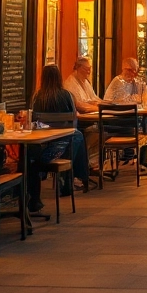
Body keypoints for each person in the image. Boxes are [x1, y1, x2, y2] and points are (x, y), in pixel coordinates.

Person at [29, 64, 90, 205]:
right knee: (78, 136)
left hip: (43, 144)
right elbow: (74, 119)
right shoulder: (66, 95)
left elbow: (33, 121)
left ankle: (70, 178)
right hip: (63, 143)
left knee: (77, 136)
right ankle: (77, 177)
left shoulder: (38, 96)